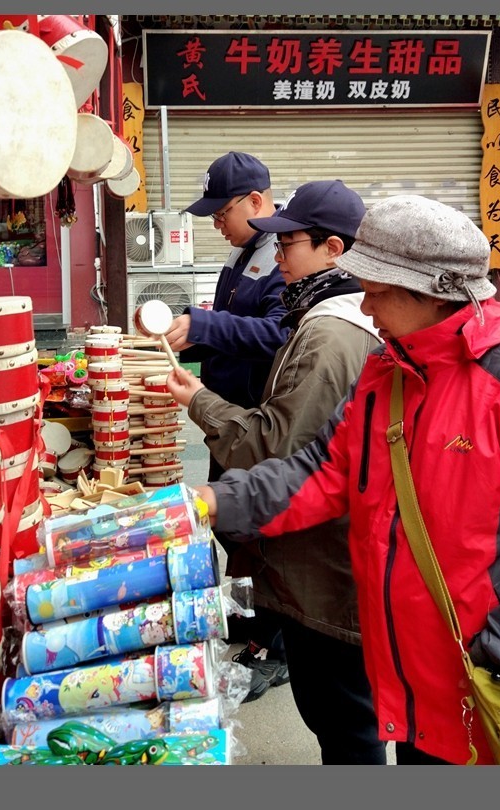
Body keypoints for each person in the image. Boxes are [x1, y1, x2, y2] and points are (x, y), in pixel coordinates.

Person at [192, 194, 500, 765]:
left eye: (377, 291)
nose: (364, 304)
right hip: (415, 691)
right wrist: (212, 501)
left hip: (493, 696)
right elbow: (324, 473)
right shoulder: (391, 371)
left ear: (431, 292)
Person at [167, 180, 384, 764]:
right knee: (337, 714)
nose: (278, 258)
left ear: (333, 249)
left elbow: (277, 448)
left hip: (329, 568)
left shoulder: (331, 333)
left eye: (289, 246)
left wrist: (199, 401)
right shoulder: (320, 312)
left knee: (344, 719)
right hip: (326, 557)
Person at [174, 151, 292, 700]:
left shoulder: (282, 260)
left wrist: (204, 324)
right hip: (228, 419)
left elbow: (275, 336)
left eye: (221, 213)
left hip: (258, 423)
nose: (216, 224)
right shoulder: (244, 253)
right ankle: (245, 625)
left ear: (256, 201)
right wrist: (195, 334)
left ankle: (274, 644)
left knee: (257, 536)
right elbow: (234, 324)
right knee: (229, 528)